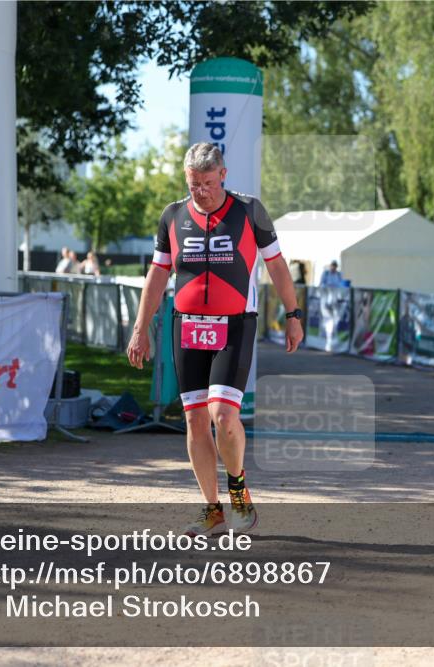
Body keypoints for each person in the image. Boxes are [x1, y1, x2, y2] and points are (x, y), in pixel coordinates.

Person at [127, 142, 303, 537]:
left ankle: (238, 488)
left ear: (223, 175)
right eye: (193, 184)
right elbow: (157, 276)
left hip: (235, 323)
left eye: (207, 182)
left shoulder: (248, 211)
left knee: (223, 416)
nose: (201, 191)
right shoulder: (172, 216)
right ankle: (212, 508)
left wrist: (293, 315)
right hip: (186, 325)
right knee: (194, 420)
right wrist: (141, 328)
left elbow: (276, 265)